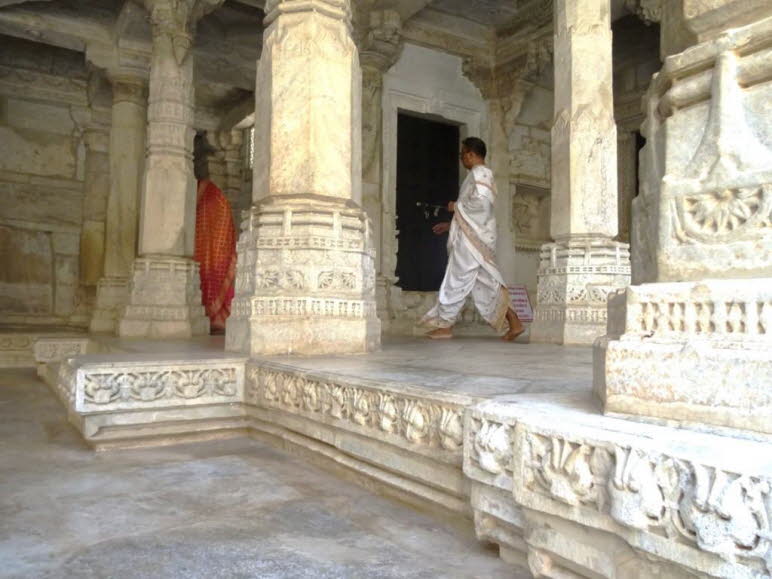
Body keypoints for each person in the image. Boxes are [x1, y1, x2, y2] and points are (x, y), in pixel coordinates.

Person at [421, 137, 524, 341]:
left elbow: (482, 207)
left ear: (471, 154)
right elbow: (475, 209)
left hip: (472, 241)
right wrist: (451, 224)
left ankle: (445, 325)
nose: (461, 159)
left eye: (462, 155)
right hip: (472, 237)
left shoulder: (480, 173)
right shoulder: (478, 175)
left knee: (456, 279)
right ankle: (515, 322)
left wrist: (455, 207)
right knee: (486, 283)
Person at [193, 143, 237, 335]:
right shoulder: (216, 197)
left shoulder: (214, 196)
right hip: (212, 253)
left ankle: (216, 318)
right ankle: (216, 317)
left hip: (209, 253)